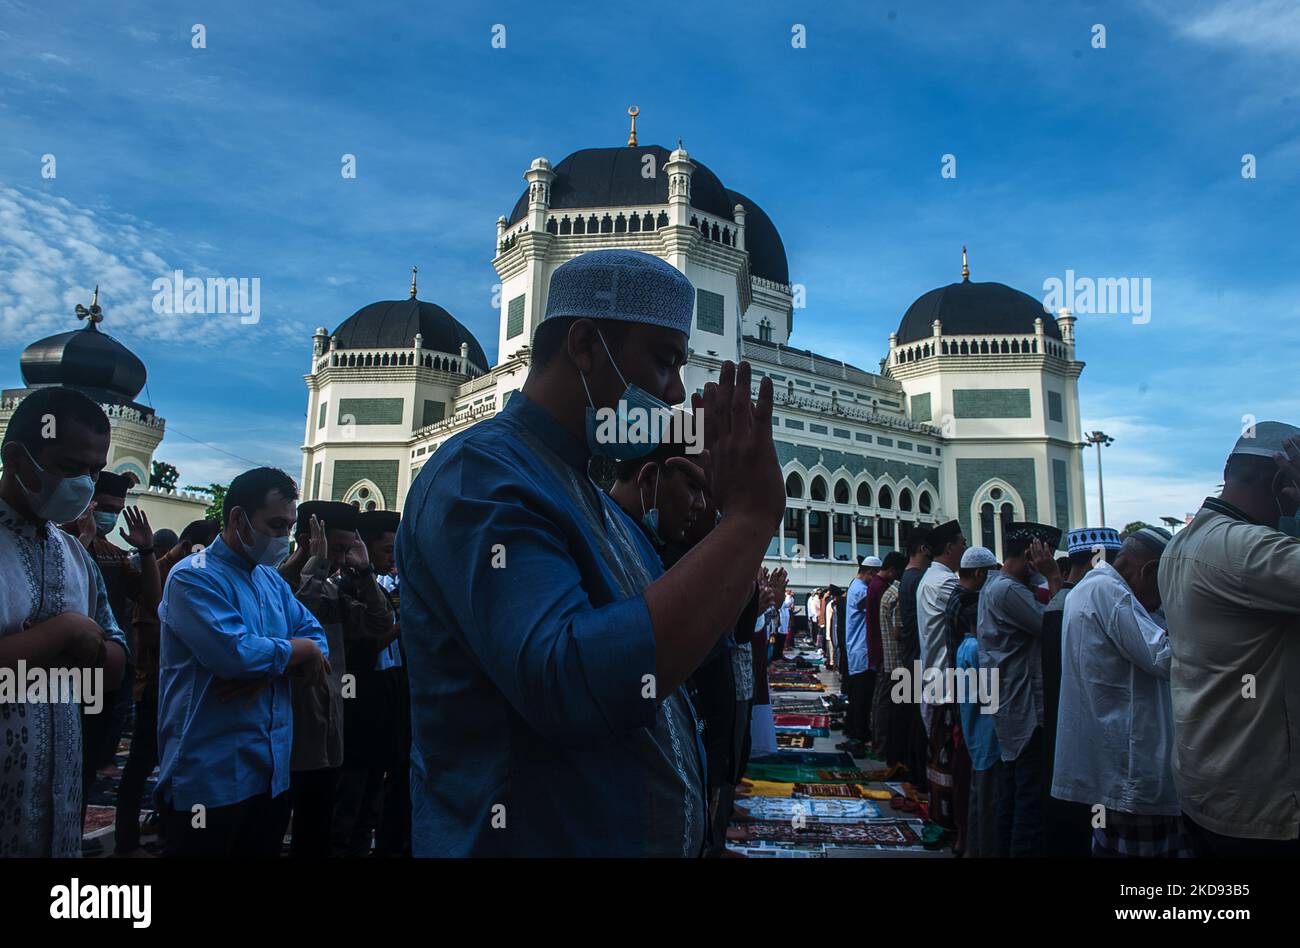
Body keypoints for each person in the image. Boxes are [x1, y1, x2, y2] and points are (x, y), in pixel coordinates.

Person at [396, 249, 785, 856]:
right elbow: (570, 684)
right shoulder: (482, 477)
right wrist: (749, 520)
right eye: (663, 360)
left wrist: (717, 529)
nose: (677, 389)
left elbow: (684, 653)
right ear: (583, 345)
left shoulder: (594, 501)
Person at [155, 467, 330, 858]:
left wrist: (273, 667)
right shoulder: (193, 578)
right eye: (276, 524)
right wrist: (297, 654)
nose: (284, 536)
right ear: (238, 518)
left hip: (269, 774)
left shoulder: (270, 581)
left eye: (289, 525)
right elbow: (236, 655)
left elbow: (317, 637)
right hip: (211, 778)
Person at [1160, 422, 1300, 856]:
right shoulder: (1250, 550)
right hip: (1263, 806)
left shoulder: (1181, 544)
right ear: (1282, 483)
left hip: (1208, 782)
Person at [0, 387, 129, 857]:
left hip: (60, 798)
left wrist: (85, 647)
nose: (85, 486)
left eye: (94, 472)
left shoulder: (72, 552)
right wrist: (65, 633)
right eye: (71, 469)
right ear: (16, 457)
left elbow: (114, 665)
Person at [1053, 528, 1187, 857]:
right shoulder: (1110, 592)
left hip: (1113, 764)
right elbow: (1164, 658)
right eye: (1162, 586)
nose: (1160, 599)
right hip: (1131, 767)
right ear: (1148, 570)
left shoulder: (1088, 588)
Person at [273, 501, 374, 858]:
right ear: (309, 540)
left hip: (326, 728)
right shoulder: (274, 584)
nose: (345, 557)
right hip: (284, 729)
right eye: (340, 548)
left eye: (350, 549)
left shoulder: (334, 587)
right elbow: (293, 621)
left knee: (315, 831)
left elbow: (377, 624)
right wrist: (314, 567)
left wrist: (364, 574)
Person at [115, 517, 220, 856]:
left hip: (185, 689)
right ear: (194, 544)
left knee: (179, 765)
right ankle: (125, 839)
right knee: (141, 765)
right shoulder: (163, 572)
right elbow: (149, 632)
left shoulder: (198, 571)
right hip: (155, 688)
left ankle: (165, 830)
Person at [977, 522, 1062, 857]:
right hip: (1024, 710)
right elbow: (1054, 625)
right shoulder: (1008, 590)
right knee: (1028, 805)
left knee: (1014, 796)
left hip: (1012, 705)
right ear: (1031, 557)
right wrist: (1054, 577)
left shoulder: (999, 585)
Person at [79, 471, 159, 818]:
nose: (110, 515)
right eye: (105, 507)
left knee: (87, 763)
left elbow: (150, 598)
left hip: (106, 669)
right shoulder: (59, 541)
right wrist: (82, 540)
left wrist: (146, 550)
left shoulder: (112, 553)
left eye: (117, 508)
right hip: (59, 672)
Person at [1041, 525, 1121, 858]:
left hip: (1061, 738)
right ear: (1098, 562)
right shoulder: (1079, 602)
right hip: (1084, 742)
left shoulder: (1062, 601)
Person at [358, 509, 411, 858]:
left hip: (393, 683)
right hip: (364, 692)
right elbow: (360, 648)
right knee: (361, 780)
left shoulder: (387, 583)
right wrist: (406, 622)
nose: (393, 557)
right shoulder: (355, 585)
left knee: (392, 775)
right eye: (387, 549)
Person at [951, 546, 1000, 857]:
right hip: (985, 737)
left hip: (974, 733)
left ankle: (969, 846)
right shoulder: (974, 651)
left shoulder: (965, 648)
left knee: (977, 793)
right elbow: (989, 694)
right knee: (986, 799)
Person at [916, 519, 965, 828]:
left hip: (933, 677)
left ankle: (941, 816)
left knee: (940, 755)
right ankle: (948, 823)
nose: (965, 548)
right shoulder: (944, 582)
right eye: (962, 543)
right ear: (950, 547)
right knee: (948, 758)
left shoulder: (931, 578)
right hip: (943, 681)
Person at [891, 533, 932, 787]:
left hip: (908, 657)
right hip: (916, 658)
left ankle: (907, 763)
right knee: (917, 716)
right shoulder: (917, 579)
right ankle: (917, 771)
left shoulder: (906, 579)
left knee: (909, 712)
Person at [864, 552, 904, 754]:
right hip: (885, 649)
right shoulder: (882, 588)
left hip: (878, 646)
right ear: (892, 570)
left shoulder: (876, 586)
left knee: (880, 697)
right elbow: (893, 628)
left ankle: (878, 740)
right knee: (884, 699)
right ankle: (881, 743)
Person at [838, 559, 874, 756]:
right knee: (861, 697)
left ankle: (852, 729)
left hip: (856, 649)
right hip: (861, 649)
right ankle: (859, 734)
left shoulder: (855, 585)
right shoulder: (862, 590)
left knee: (856, 695)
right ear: (868, 572)